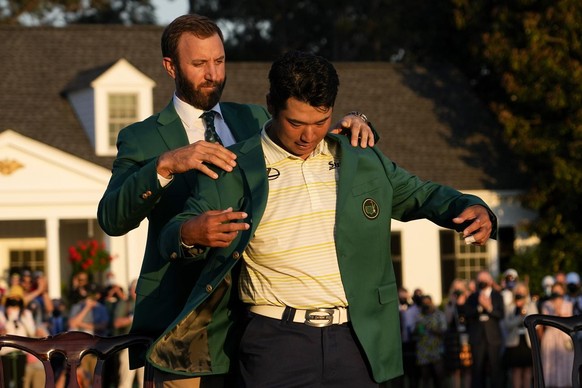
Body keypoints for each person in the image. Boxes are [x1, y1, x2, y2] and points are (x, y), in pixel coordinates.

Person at [157, 50, 496, 386]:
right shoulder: (233, 167)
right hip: (274, 344)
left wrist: (470, 207)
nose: (308, 135)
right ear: (271, 106)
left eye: (320, 122)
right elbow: (173, 233)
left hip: (356, 342)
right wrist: (190, 232)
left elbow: (423, 194)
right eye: (296, 123)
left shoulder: (360, 159)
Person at [97, 13, 375, 386]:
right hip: (189, 332)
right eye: (199, 64)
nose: (213, 73)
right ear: (170, 66)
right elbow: (112, 219)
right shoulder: (142, 138)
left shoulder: (255, 117)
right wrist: (165, 165)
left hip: (263, 333)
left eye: (220, 60)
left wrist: (358, 120)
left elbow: (312, 132)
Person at [465, 270, 504, 388]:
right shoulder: (472, 297)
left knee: (495, 368)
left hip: (493, 338)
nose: (482, 282)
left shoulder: (497, 296)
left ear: (491, 281)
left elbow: (501, 315)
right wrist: (479, 308)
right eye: (480, 280)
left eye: (484, 279)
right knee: (477, 369)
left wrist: (488, 307)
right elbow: (467, 315)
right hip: (477, 338)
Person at [502, 282, 537, 388]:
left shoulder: (531, 305)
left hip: (527, 343)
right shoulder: (509, 307)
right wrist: (519, 317)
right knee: (516, 372)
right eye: (518, 291)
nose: (520, 294)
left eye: (522, 292)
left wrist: (525, 311)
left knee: (527, 372)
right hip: (514, 343)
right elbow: (507, 324)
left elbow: (535, 322)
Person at [539, 281, 574, 388]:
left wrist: (559, 311)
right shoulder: (546, 304)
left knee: (566, 366)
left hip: (564, 337)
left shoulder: (569, 304)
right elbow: (546, 323)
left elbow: (569, 322)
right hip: (550, 338)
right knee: (550, 365)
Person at [113, 279, 144, 388]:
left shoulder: (146, 303)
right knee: (125, 381)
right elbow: (116, 323)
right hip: (128, 345)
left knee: (145, 381)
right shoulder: (125, 303)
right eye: (134, 289)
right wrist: (131, 318)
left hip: (144, 345)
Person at [444, 279, 472, 388]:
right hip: (454, 338)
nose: (458, 290)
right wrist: (453, 303)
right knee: (455, 370)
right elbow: (448, 320)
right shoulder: (450, 303)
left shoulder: (469, 301)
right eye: (456, 288)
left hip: (467, 336)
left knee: (467, 368)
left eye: (460, 288)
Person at [414, 295, 447, 388]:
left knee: (439, 375)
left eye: (428, 302)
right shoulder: (419, 316)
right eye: (424, 303)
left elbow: (443, 331)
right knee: (425, 377)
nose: (426, 305)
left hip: (437, 349)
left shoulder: (439, 315)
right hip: (423, 350)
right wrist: (418, 329)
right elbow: (415, 332)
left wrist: (432, 329)